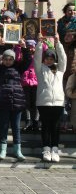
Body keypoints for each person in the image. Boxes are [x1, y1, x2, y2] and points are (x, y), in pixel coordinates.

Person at [0, 45, 30, 162]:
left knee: (16, 127)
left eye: (10, 59)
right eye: (6, 59)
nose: (8, 61)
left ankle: (17, 149)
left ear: (14, 60)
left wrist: (24, 48)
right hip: (3, 101)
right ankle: (3, 149)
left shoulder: (18, 68)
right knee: (3, 126)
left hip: (17, 101)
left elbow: (28, 61)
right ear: (2, 59)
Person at [34, 33, 67, 163]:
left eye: (51, 57)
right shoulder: (40, 69)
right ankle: (46, 149)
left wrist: (58, 43)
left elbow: (63, 58)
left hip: (58, 102)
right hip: (44, 102)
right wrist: (39, 44)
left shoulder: (60, 69)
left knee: (56, 127)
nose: (49, 60)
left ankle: (54, 149)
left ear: (54, 58)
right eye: (47, 57)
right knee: (46, 126)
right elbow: (36, 58)